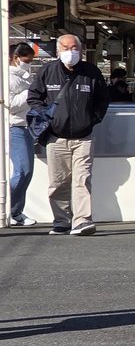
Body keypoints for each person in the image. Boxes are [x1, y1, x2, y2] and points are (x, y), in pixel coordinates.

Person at [26, 34, 110, 236]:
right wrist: (47, 118)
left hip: (83, 137)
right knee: (58, 182)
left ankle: (82, 221)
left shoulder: (91, 72)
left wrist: (92, 119)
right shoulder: (47, 71)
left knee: (83, 179)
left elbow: (102, 100)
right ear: (58, 51)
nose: (70, 51)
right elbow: (34, 97)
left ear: (80, 50)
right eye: (65, 47)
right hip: (56, 137)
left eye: (74, 48)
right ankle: (62, 220)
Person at [7, 42, 38, 227]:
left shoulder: (25, 76)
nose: (29, 63)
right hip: (15, 127)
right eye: (27, 60)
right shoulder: (7, 78)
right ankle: (8, 208)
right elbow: (11, 104)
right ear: (15, 58)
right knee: (22, 170)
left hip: (26, 127)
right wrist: (30, 93)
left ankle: (15, 211)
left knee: (27, 172)